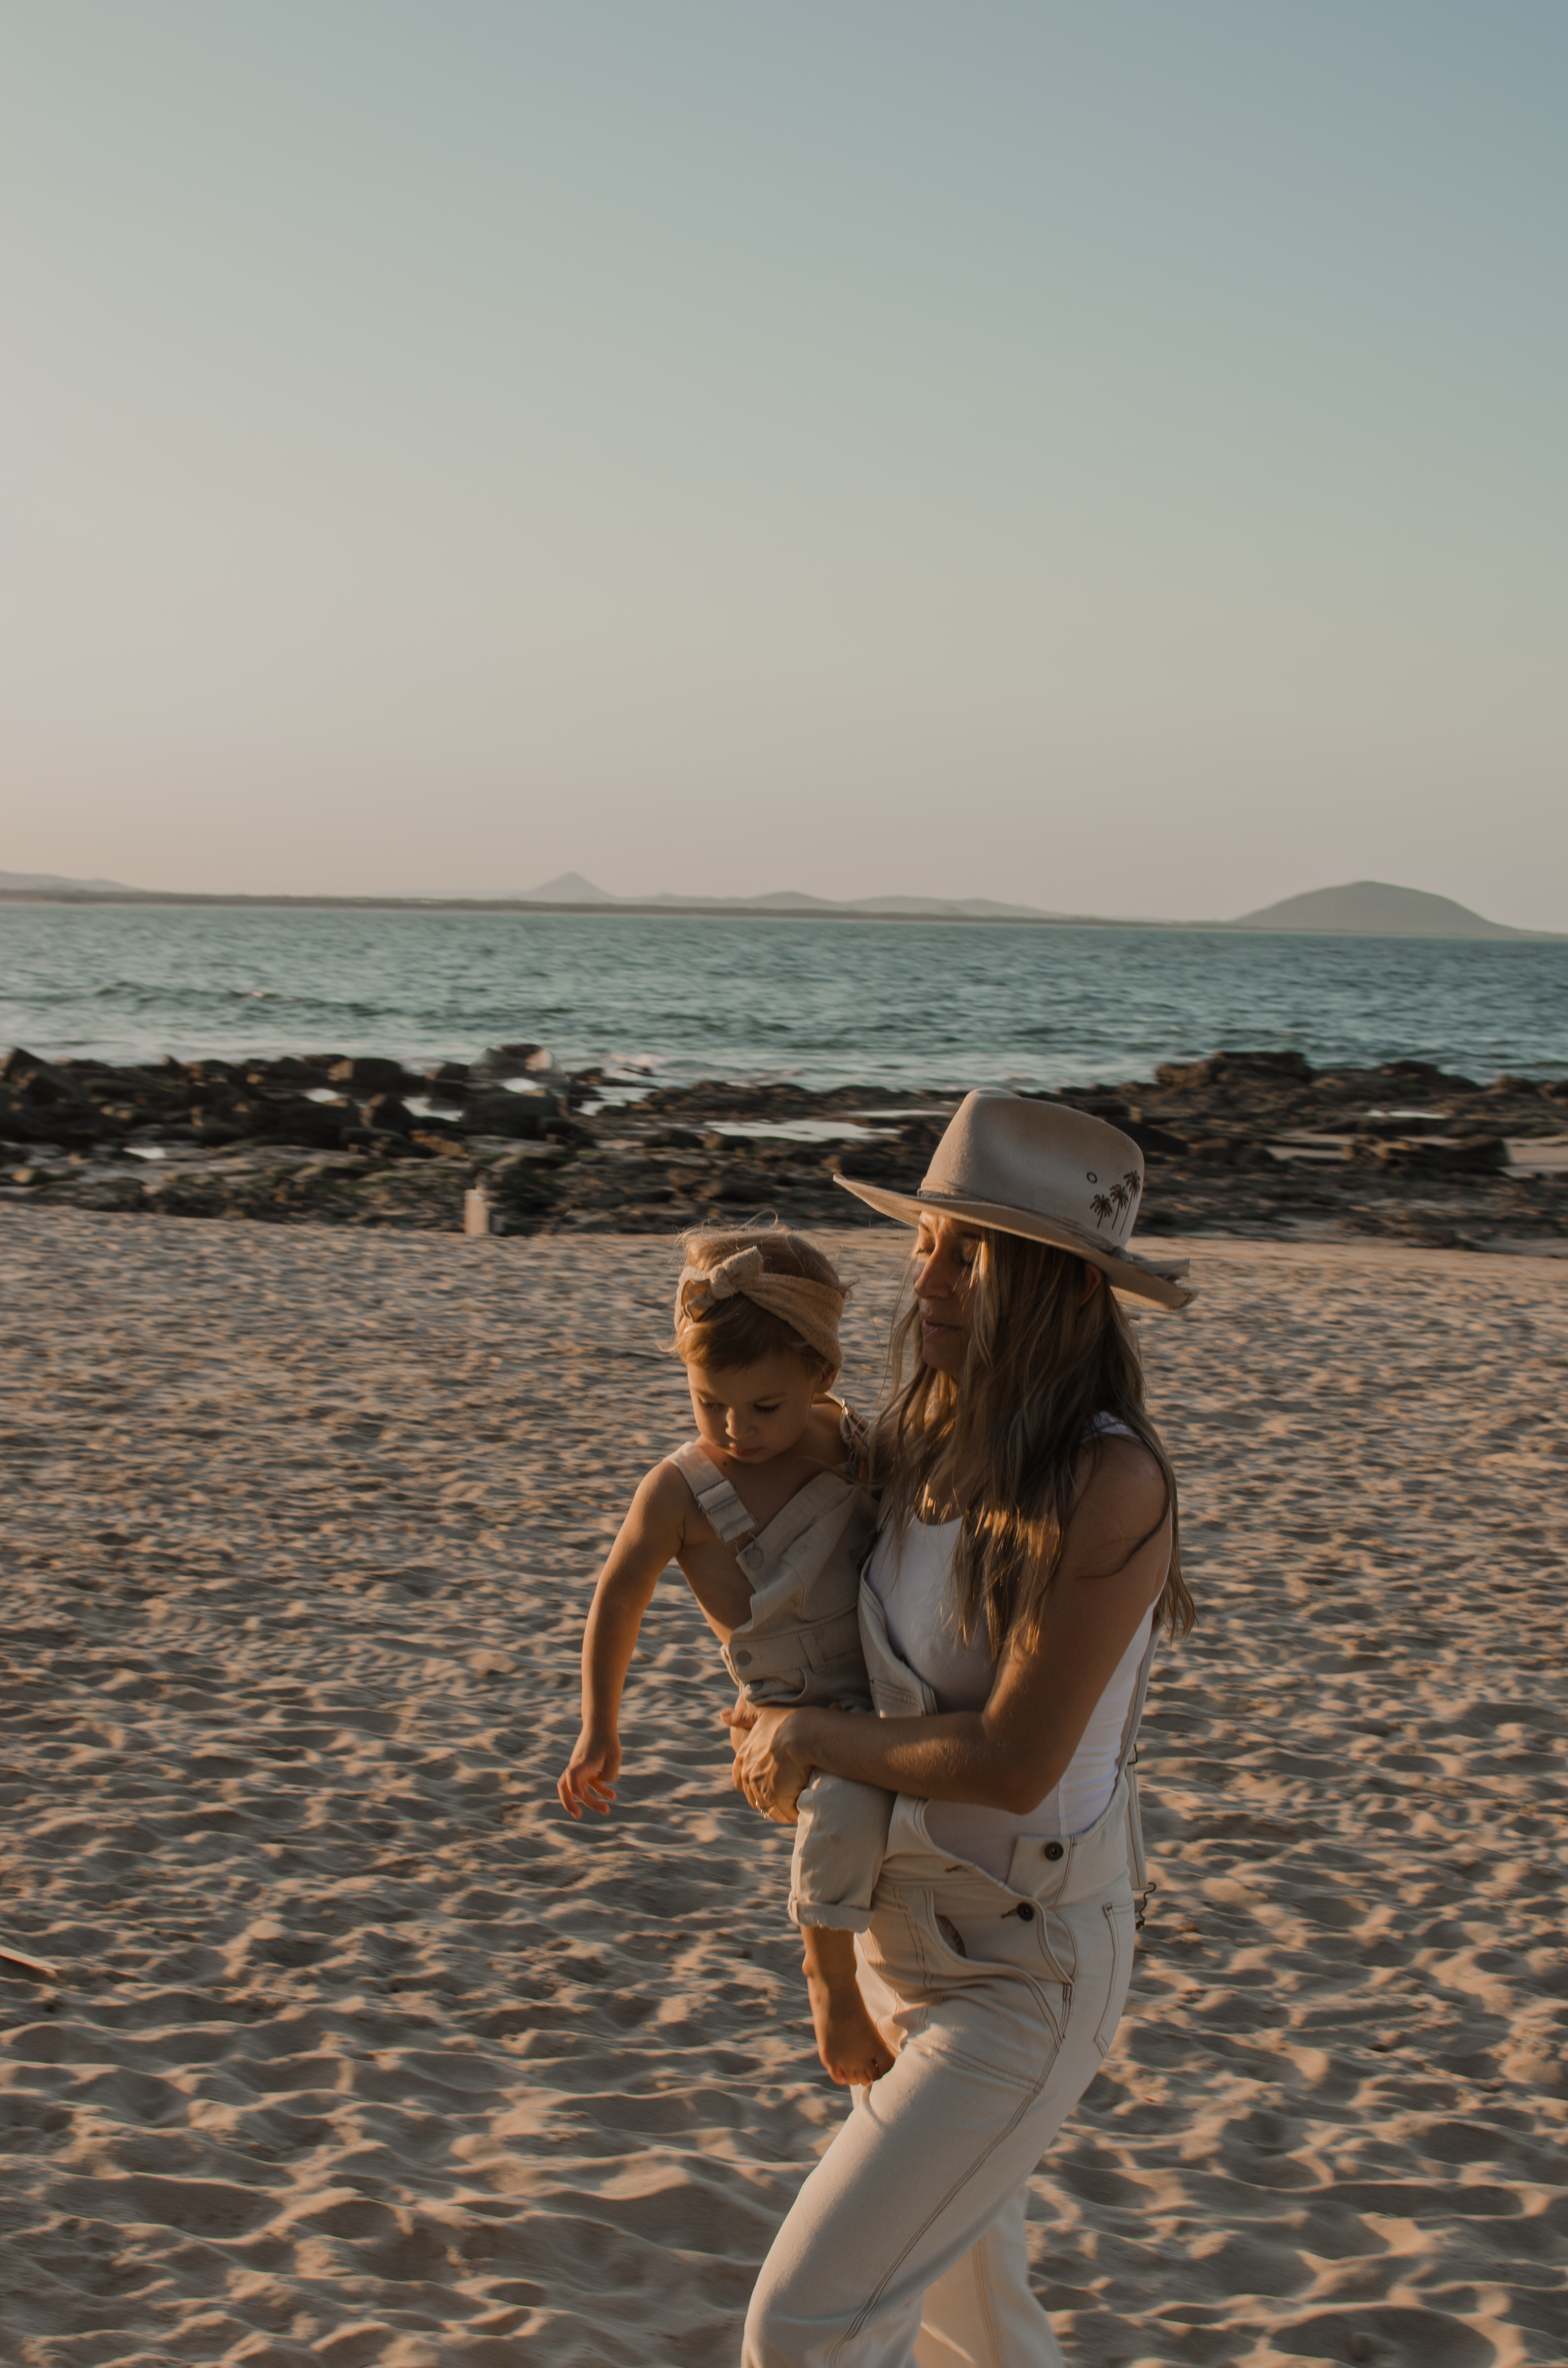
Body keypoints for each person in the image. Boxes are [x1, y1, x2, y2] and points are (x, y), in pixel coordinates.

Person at [729, 1090, 1197, 2368]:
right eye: (926, 1241)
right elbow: (746, 1520)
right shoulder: (923, 1440)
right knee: (975, 2327)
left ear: (1050, 1284)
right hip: (902, 1940)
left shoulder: (1109, 1483)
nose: (927, 1278)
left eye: (967, 1253)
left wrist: (814, 1734)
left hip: (1024, 1976)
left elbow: (1012, 1760)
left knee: (809, 2319)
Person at [557, 1225, 897, 2087]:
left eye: (764, 1407)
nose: (736, 1429)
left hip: (895, 1684)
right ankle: (829, 1977)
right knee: (850, 1801)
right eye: (710, 1403)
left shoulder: (857, 1444)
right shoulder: (682, 1490)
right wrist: (601, 1727)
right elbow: (618, 1600)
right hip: (800, 1720)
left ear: (821, 1377)